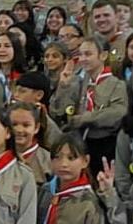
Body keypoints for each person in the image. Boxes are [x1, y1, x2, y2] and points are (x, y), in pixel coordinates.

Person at [51, 36, 128, 177]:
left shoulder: (117, 84)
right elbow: (59, 111)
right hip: (81, 142)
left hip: (106, 143)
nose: (83, 59)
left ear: (103, 55)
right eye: (80, 54)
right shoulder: (79, 83)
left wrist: (87, 118)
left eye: (88, 54)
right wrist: (63, 86)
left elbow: (118, 113)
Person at [10, 102, 51, 185]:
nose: (19, 130)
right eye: (14, 124)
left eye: (26, 125)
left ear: (36, 128)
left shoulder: (48, 160)